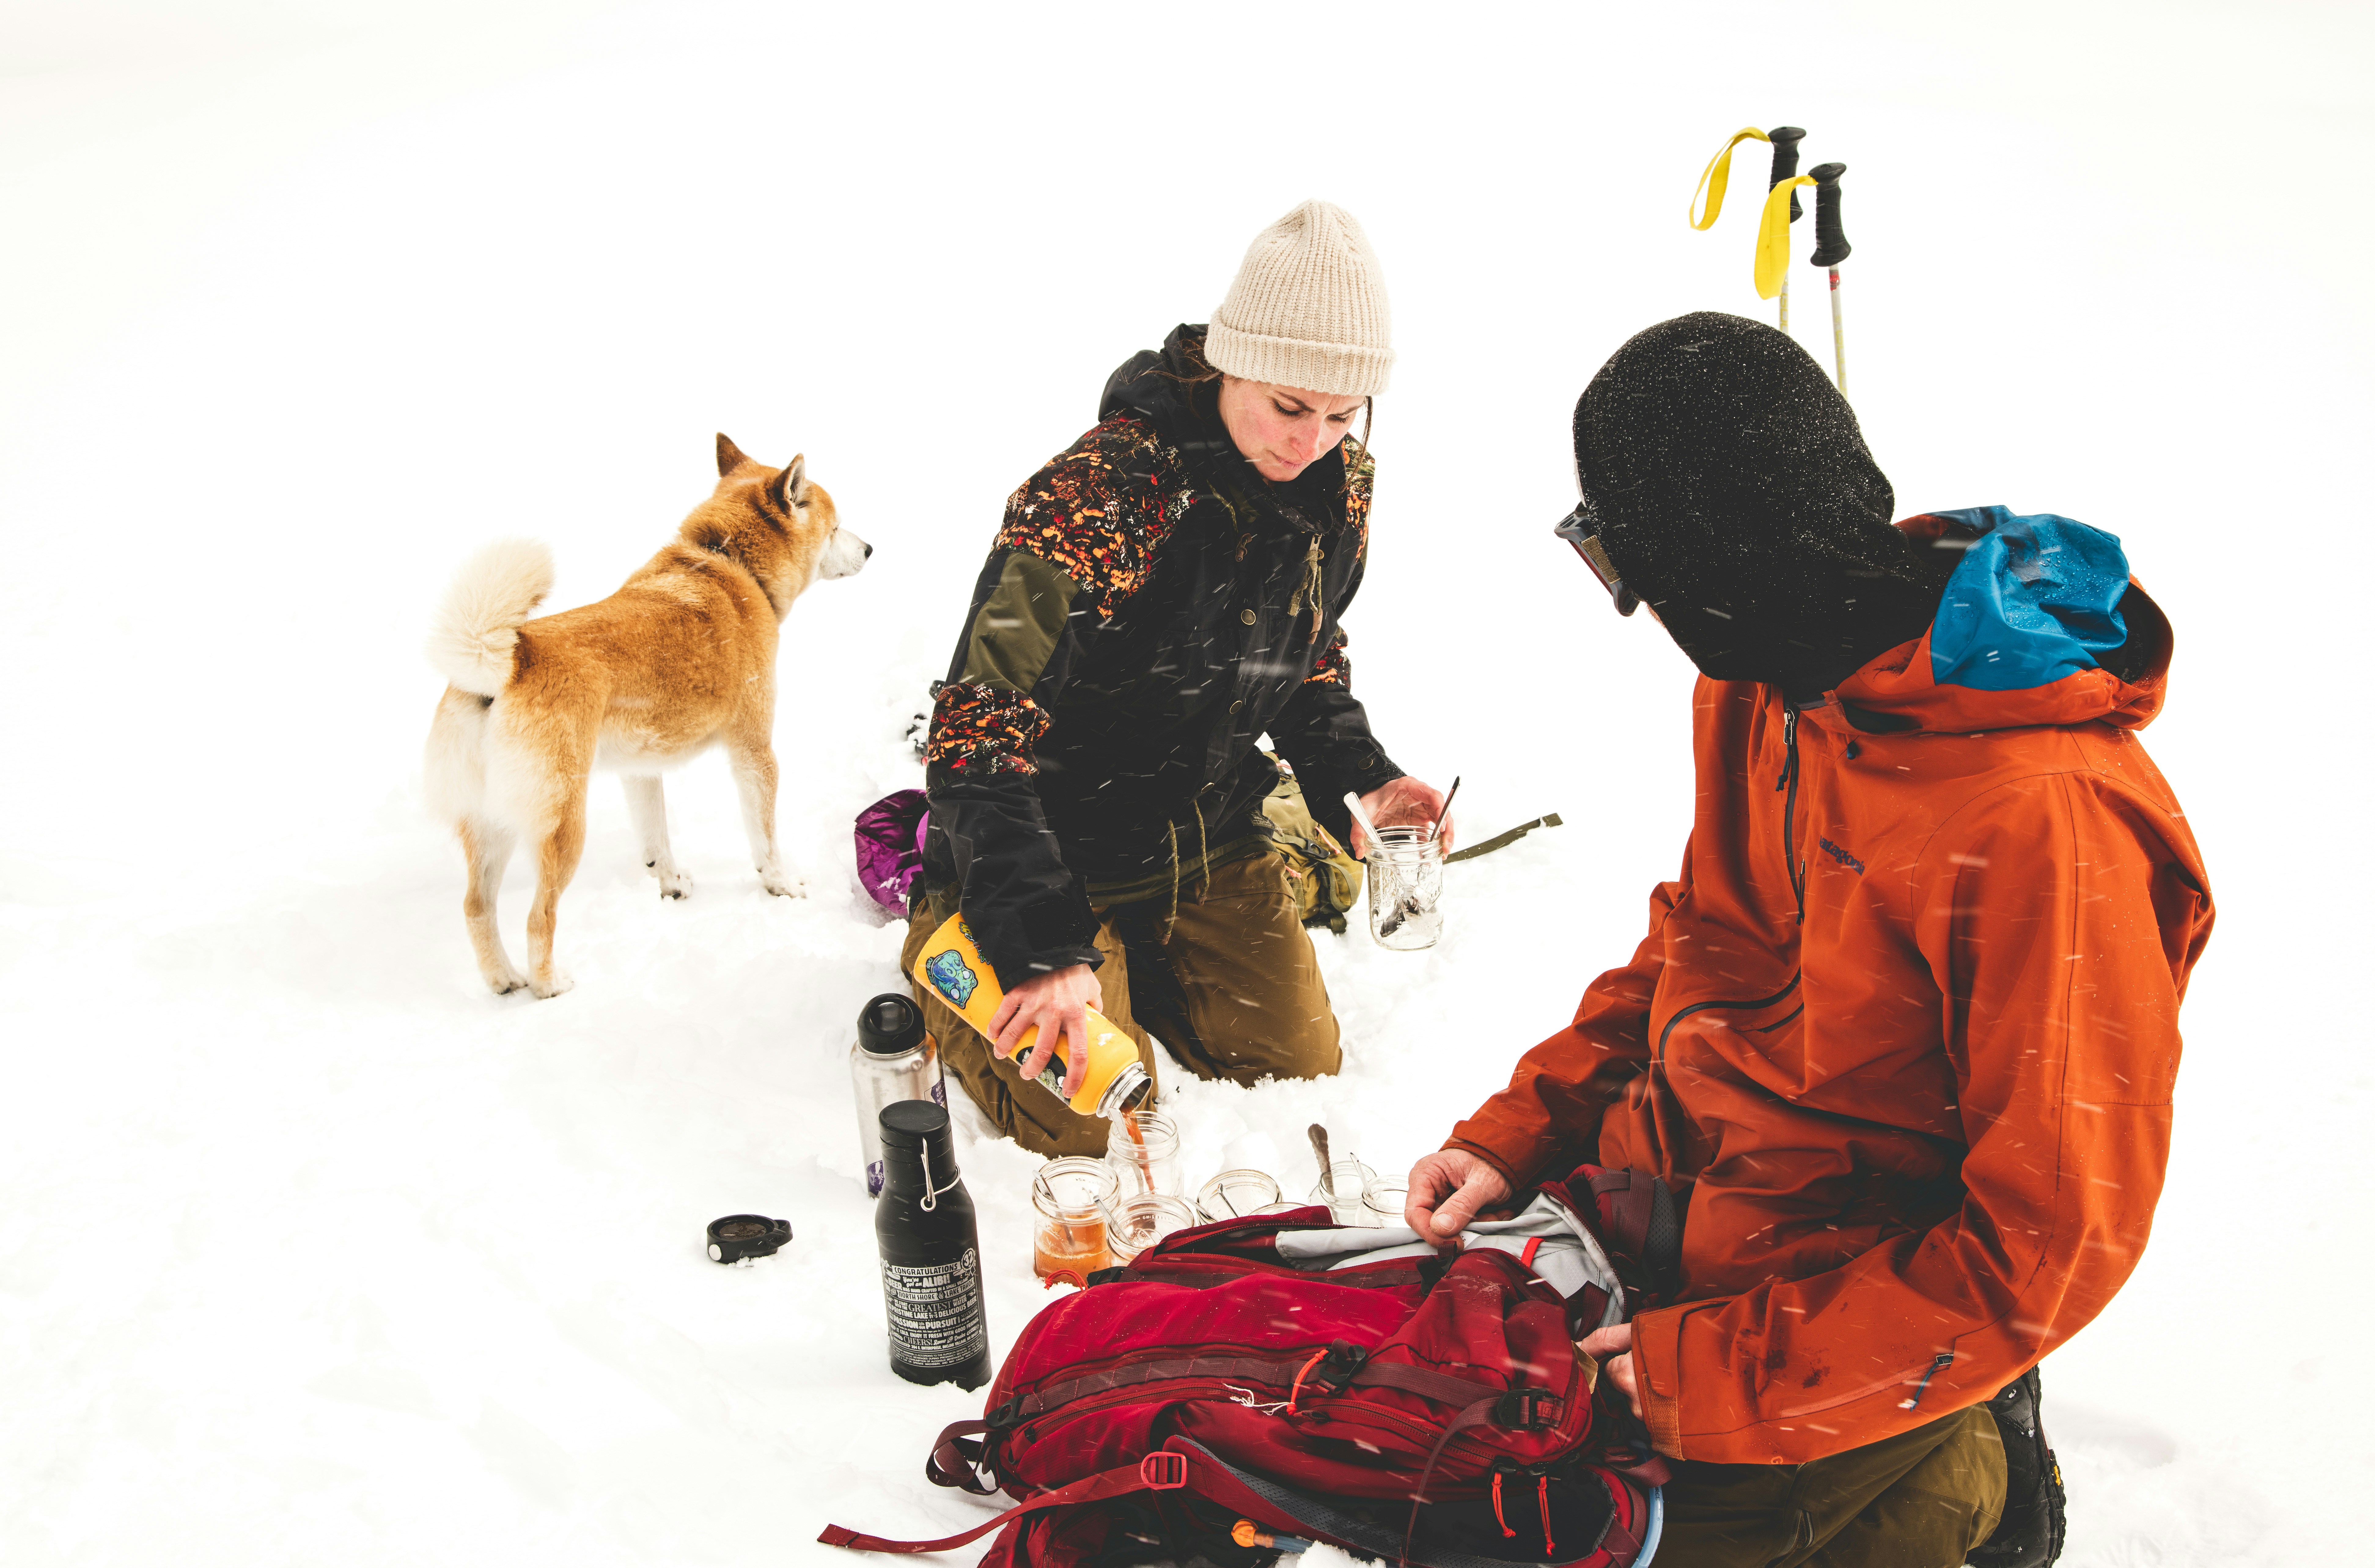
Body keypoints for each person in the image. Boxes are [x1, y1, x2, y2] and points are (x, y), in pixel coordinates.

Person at [1405, 312, 2213, 1567]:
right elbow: (1697, 937)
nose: (1634, 609)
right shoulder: (1761, 682)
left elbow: (2047, 1239)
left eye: (1626, 566)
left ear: (1718, 574)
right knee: (1390, 1447)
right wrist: (1525, 1126)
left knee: (1529, 1538)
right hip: (1672, 1224)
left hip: (1832, 1313)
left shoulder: (2039, 820)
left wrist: (1711, 1380)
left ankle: (1963, 1475)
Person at [905, 200, 1452, 1158]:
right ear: (1228, 360)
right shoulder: (1091, 494)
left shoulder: (1339, 485)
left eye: (1341, 413)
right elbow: (973, 728)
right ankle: (951, 939)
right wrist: (1039, 949)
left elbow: (1306, 658)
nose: (1310, 442)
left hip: (1202, 836)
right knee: (1091, 1130)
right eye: (1287, 407)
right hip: (1051, 847)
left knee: (1299, 1063)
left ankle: (1142, 963)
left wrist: (1363, 777)